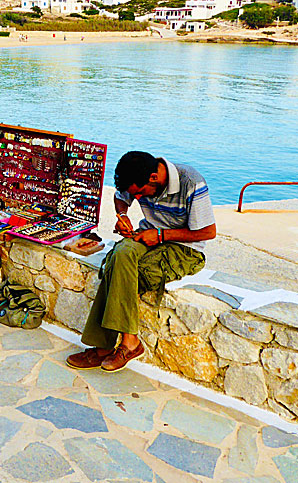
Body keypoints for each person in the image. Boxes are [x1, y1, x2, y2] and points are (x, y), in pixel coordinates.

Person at [67, 151, 216, 372]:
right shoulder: (139, 177)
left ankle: (111, 346)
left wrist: (161, 235)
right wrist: (122, 216)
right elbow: (120, 197)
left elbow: (207, 232)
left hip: (184, 249)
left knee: (125, 269)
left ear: (154, 178)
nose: (136, 198)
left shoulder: (191, 182)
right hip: (148, 237)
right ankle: (128, 342)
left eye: (139, 194)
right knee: (120, 254)